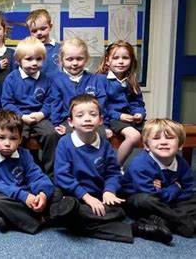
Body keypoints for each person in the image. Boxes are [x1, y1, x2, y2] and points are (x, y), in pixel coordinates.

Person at [54, 95, 173, 244]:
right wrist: (86, 197)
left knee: (112, 211)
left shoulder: (104, 145)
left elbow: (113, 173)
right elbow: (62, 176)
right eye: (80, 115)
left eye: (93, 115)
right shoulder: (65, 143)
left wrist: (109, 191)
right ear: (70, 122)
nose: (87, 119)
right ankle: (136, 228)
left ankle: (82, 217)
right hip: (74, 196)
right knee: (64, 208)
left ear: (101, 120)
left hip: (99, 196)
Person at [0, 110, 77, 234]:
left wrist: (42, 194)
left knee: (55, 192)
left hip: (25, 196)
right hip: (4, 196)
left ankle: (13, 218)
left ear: (20, 139)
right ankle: (44, 219)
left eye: (13, 138)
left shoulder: (24, 154)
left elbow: (36, 176)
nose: (7, 143)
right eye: (1, 137)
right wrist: (23, 196)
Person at [120, 118, 196, 238]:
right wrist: (176, 187)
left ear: (180, 145)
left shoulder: (182, 164)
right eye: (156, 138)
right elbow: (151, 194)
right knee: (144, 200)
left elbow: (188, 189)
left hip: (165, 201)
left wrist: (166, 192)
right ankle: (182, 222)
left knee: (193, 198)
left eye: (170, 138)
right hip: (137, 199)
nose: (163, 142)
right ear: (146, 145)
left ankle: (162, 221)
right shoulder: (140, 164)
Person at [1, 36, 60, 176]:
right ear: (18, 60)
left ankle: (50, 174)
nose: (34, 63)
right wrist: (22, 117)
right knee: (17, 136)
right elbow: (7, 102)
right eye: (29, 59)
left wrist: (42, 114)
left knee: (51, 134)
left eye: (38, 59)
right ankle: (19, 172)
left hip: (40, 117)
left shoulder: (46, 79)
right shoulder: (11, 79)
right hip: (18, 117)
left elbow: (50, 101)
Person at [96, 40, 146, 165]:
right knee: (134, 136)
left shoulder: (131, 80)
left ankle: (153, 169)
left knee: (157, 130)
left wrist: (139, 114)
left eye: (125, 58)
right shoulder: (101, 80)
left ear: (132, 60)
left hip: (130, 118)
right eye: (116, 58)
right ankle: (115, 168)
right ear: (107, 61)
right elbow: (100, 106)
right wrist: (119, 116)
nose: (121, 61)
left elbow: (137, 103)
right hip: (111, 118)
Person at [50, 37, 109, 139]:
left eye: (79, 58)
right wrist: (56, 124)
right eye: (69, 59)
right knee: (67, 137)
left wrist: (106, 125)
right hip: (67, 121)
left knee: (102, 135)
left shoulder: (95, 80)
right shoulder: (56, 80)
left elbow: (102, 104)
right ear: (61, 60)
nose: (75, 63)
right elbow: (55, 103)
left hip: (92, 120)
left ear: (86, 58)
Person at [26, 9, 61, 77]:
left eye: (43, 29)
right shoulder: (27, 50)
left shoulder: (61, 48)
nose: (39, 33)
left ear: (50, 27)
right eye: (34, 31)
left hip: (57, 86)